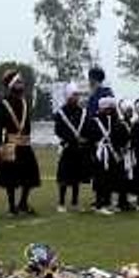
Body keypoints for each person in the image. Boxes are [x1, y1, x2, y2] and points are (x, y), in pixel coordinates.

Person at [0, 69, 41, 217]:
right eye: (18, 82)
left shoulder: (25, 101)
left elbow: (27, 124)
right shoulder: (4, 103)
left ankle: (23, 203)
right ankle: (12, 207)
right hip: (10, 144)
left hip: (25, 145)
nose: (22, 84)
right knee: (10, 178)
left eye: (22, 82)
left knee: (30, 176)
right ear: (12, 85)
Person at [85, 96, 128, 215]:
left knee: (110, 179)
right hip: (100, 154)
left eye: (112, 108)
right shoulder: (94, 121)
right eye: (108, 108)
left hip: (112, 153)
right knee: (100, 180)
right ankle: (99, 204)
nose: (110, 110)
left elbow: (119, 136)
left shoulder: (114, 121)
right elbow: (90, 138)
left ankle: (107, 203)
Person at [53, 82, 88, 213]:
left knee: (76, 178)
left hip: (79, 149)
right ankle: (61, 202)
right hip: (67, 148)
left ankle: (75, 202)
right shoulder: (60, 113)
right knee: (64, 177)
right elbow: (58, 130)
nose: (77, 97)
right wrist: (70, 139)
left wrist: (84, 138)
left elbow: (85, 128)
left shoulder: (82, 112)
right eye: (74, 95)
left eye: (77, 95)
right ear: (68, 96)